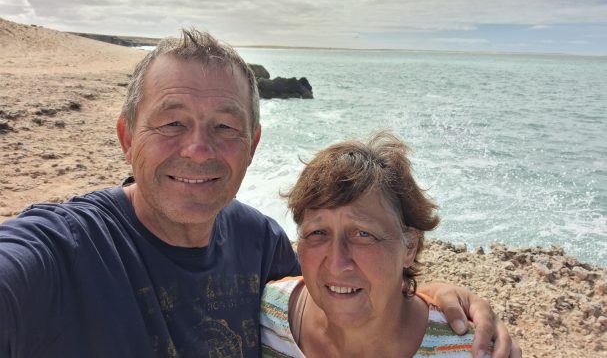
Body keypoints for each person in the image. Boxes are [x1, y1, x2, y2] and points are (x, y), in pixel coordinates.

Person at [0, 30, 518, 358]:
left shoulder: (257, 241)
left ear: (251, 146)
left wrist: (427, 300)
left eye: (225, 127)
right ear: (127, 138)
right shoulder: (61, 250)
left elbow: (338, 287)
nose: (198, 149)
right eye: (172, 122)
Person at [261, 131, 516, 357]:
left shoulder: (469, 351)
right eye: (318, 232)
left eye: (363, 234)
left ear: (410, 247)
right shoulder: (263, 317)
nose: (337, 263)